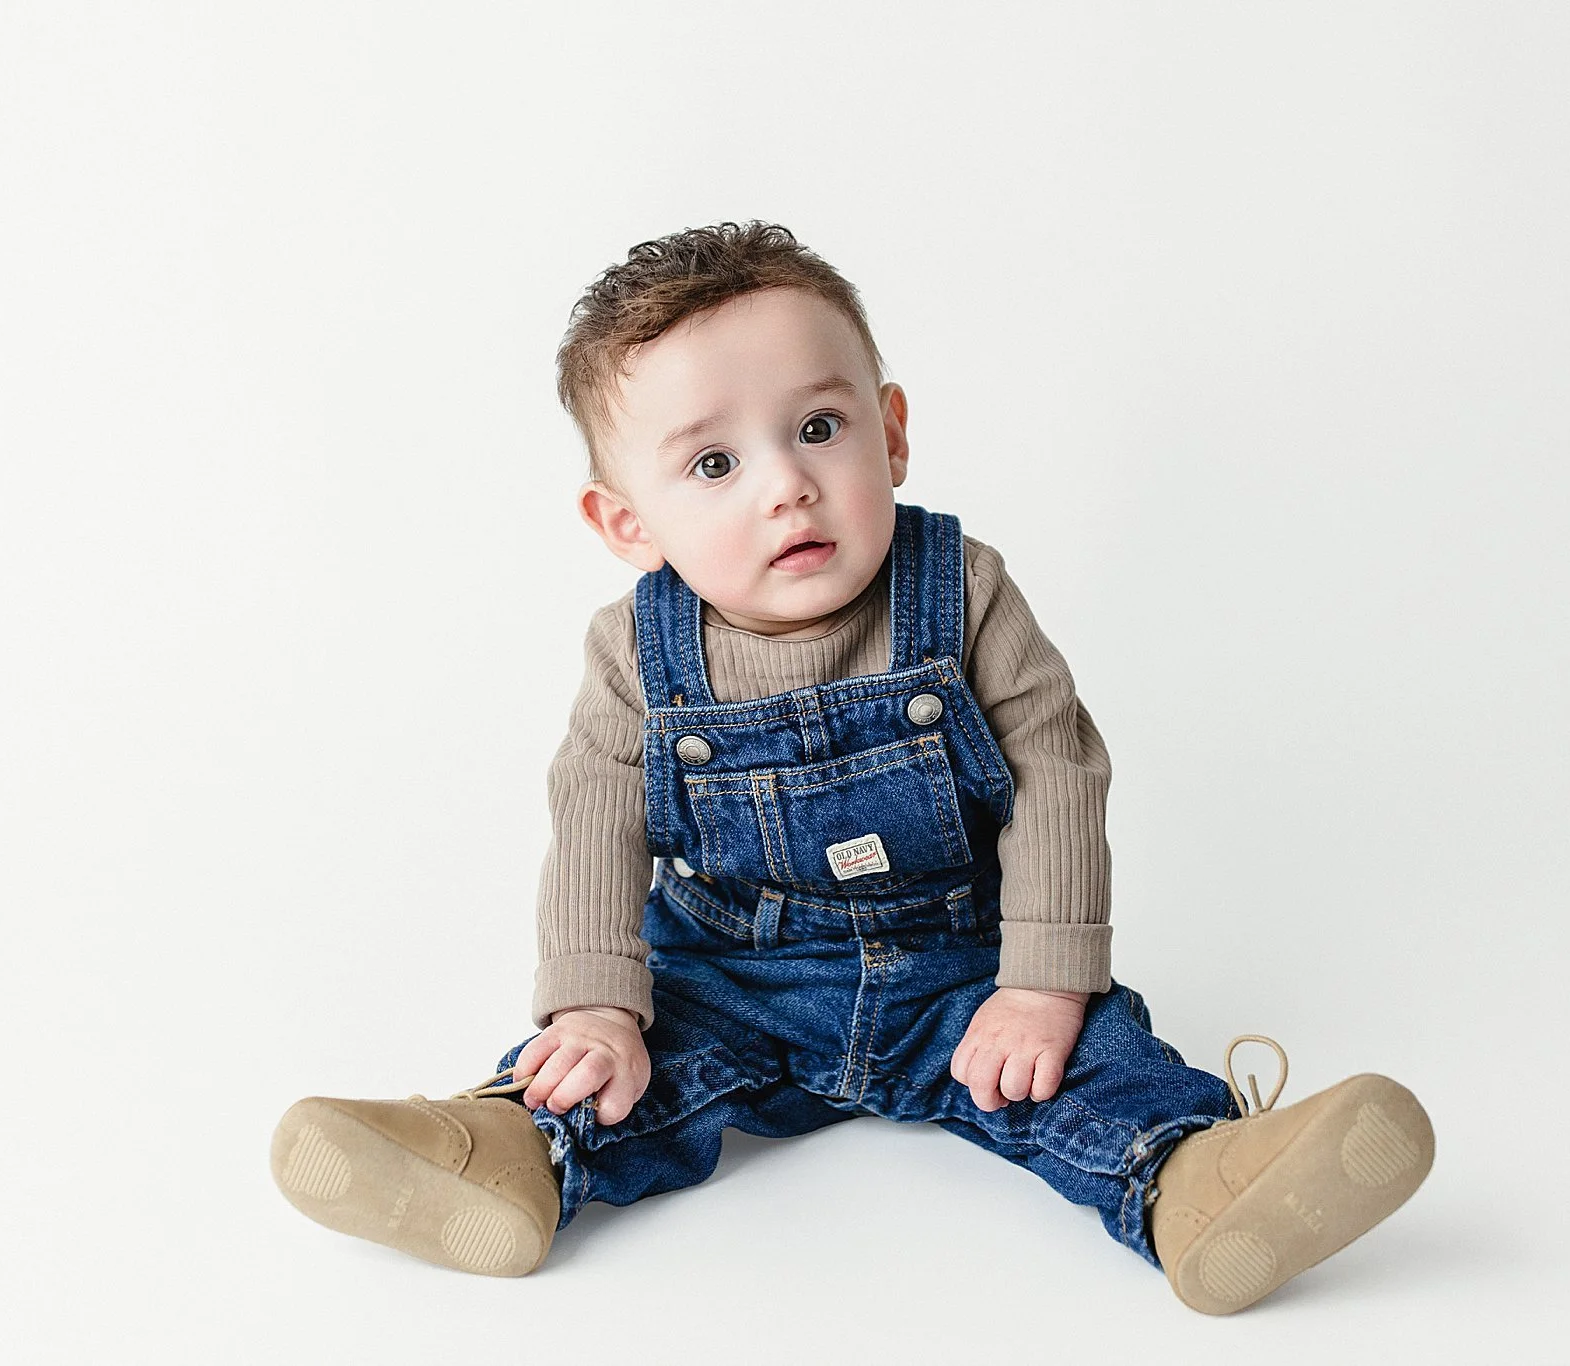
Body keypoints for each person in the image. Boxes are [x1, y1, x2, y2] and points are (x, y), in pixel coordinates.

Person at [269, 221, 1433, 1313]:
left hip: (959, 968)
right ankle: (512, 1155)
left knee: (1088, 1064)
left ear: (891, 429)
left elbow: (1055, 775)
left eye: (818, 428)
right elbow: (592, 821)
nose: (785, 483)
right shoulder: (636, 653)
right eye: (713, 462)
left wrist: (1039, 980)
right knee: (616, 1072)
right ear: (627, 523)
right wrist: (596, 1004)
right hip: (733, 971)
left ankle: (1194, 1180)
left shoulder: (960, 590)